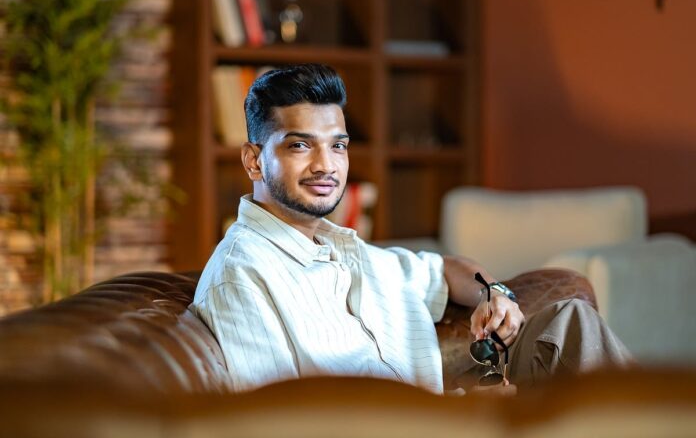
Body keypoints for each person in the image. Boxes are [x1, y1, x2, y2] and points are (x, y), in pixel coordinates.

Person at [191, 63, 631, 395]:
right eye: (300, 145)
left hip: (444, 414)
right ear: (254, 160)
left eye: (338, 146)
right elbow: (277, 422)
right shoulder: (242, 276)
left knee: (570, 321)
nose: (326, 165)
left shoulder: (348, 251)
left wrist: (494, 293)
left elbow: (447, 270)